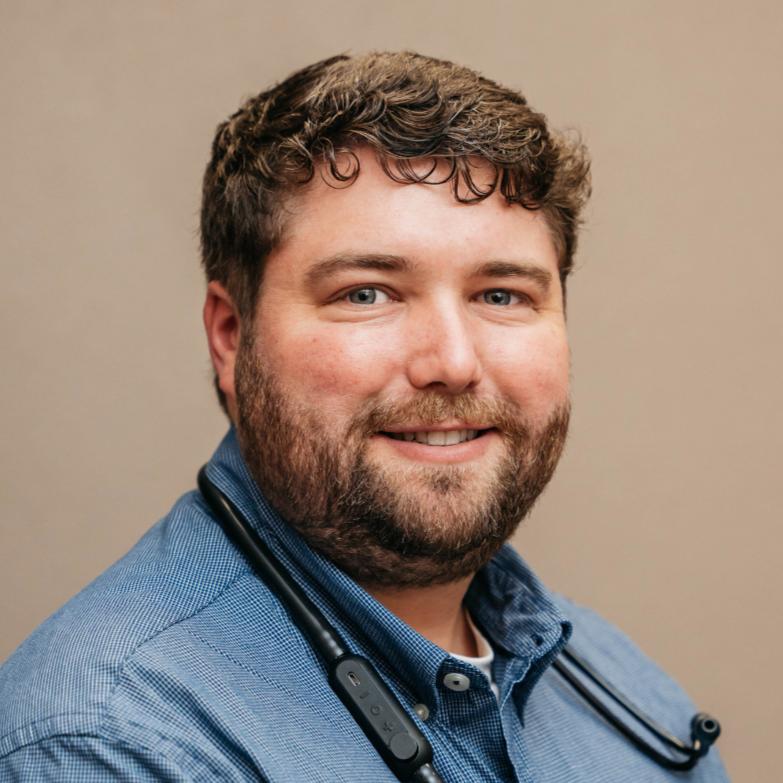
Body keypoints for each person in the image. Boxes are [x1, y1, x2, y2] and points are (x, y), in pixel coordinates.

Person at [0, 52, 729, 782]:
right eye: (366, 293)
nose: (452, 361)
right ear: (230, 335)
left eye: (501, 295)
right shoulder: (109, 742)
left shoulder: (635, 705)